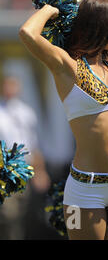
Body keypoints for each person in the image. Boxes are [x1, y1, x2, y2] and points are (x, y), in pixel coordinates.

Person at [19, 0, 108, 240]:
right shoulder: (68, 67)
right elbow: (27, 33)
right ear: (102, 25)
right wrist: (51, 9)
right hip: (85, 191)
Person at [0, 75, 51, 239]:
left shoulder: (26, 112)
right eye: (7, 86)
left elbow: (34, 145)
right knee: (9, 214)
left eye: (13, 86)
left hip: (24, 170)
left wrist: (40, 171)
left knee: (24, 212)